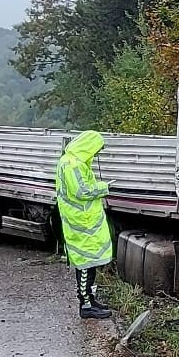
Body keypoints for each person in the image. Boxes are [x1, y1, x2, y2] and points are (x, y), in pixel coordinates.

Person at [55, 130, 113, 319]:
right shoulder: (73, 165)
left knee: (89, 263)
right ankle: (86, 305)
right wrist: (104, 187)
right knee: (86, 264)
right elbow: (82, 191)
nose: (96, 155)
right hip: (81, 224)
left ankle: (90, 300)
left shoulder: (72, 162)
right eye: (96, 151)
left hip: (83, 223)